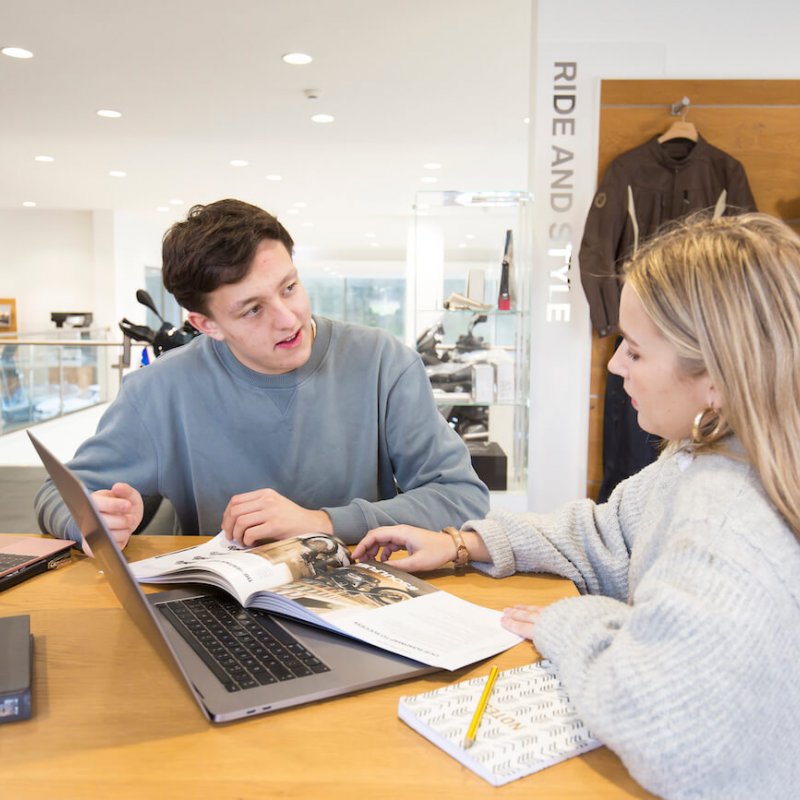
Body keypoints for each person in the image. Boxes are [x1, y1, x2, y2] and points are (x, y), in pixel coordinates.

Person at [353, 212, 800, 799]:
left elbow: (672, 737)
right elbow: (609, 534)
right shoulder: (706, 458)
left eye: (634, 353)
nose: (614, 367)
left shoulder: (726, 518)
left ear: (715, 378)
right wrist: (463, 543)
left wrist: (570, 622)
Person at [35, 199, 489, 550]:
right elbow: (58, 495)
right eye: (253, 310)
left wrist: (323, 524)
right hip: (225, 618)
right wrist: (91, 518)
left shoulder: (383, 362)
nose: (288, 319)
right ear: (205, 324)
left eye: (290, 287)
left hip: (365, 603)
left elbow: (461, 496)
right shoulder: (158, 391)